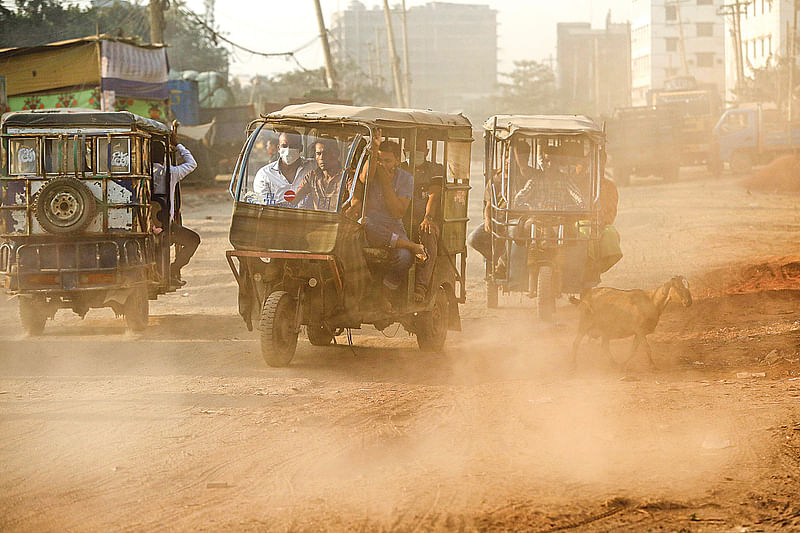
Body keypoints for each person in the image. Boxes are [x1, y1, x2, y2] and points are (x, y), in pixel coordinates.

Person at [349, 139, 425, 311]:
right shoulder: (371, 173)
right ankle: (410, 245)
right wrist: (374, 151)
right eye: (379, 160)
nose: (382, 165)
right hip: (370, 225)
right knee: (365, 223)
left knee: (405, 257)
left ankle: (384, 293)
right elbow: (363, 178)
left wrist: (385, 183)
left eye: (388, 161)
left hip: (393, 226)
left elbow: (397, 212)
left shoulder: (406, 179)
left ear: (397, 161)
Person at [152, 132, 200, 286]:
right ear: (164, 157)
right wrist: (178, 145)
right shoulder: (171, 172)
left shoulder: (141, 173)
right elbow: (192, 164)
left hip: (145, 222)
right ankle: (173, 269)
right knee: (193, 240)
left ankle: (164, 273)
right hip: (166, 225)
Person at [404, 138, 444, 301]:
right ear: (404, 152)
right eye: (410, 149)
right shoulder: (399, 169)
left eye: (419, 149)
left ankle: (421, 286)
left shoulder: (435, 169)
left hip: (425, 220)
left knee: (428, 234)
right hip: (401, 219)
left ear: (427, 152)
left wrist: (428, 217)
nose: (414, 153)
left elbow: (433, 195)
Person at [252, 130, 315, 205]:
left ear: (301, 148)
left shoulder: (313, 167)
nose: (288, 150)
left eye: (293, 146)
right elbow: (264, 207)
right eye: (284, 146)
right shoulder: (264, 175)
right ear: (278, 148)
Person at [291, 139, 344, 211]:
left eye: (326, 153)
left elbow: (356, 204)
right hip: (317, 220)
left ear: (336, 154)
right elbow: (295, 199)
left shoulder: (346, 177)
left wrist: (340, 218)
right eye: (318, 154)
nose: (322, 157)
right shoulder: (311, 176)